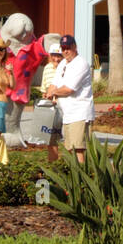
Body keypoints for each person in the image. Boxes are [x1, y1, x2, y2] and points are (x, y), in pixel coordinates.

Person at [44, 34, 93, 164]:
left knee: (78, 149)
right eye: (63, 48)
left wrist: (53, 92)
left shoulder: (81, 64)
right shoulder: (63, 64)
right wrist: (49, 92)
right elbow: (54, 83)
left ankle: (81, 180)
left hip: (79, 114)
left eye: (68, 48)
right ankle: (71, 178)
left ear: (75, 47)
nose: (65, 51)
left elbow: (68, 89)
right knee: (68, 148)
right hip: (66, 114)